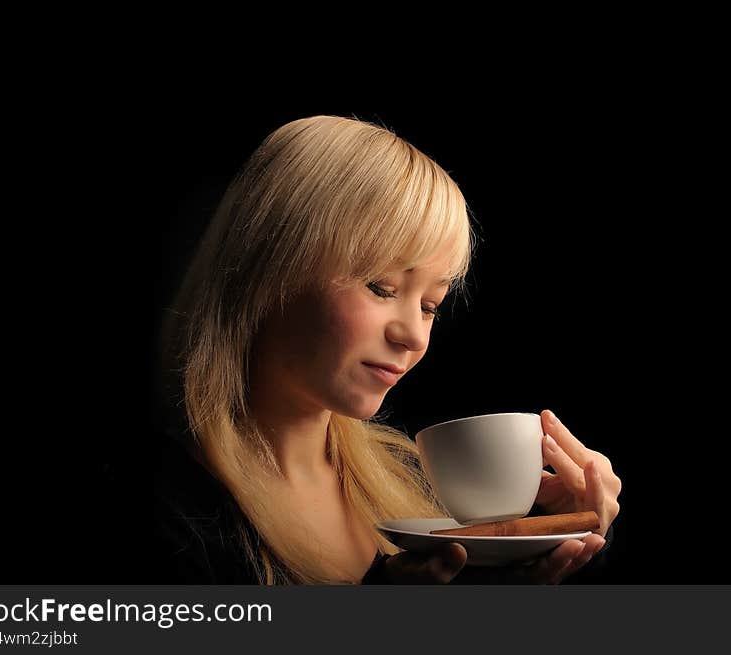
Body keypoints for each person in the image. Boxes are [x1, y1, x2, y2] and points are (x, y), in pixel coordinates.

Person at [151, 115, 621, 584]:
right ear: (267, 263)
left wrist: (568, 540)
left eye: (431, 305)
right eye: (380, 286)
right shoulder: (160, 509)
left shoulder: (416, 483)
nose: (414, 337)